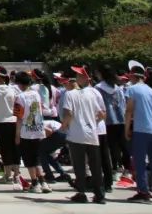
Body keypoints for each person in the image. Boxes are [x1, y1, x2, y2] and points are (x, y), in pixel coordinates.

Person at [62, 66, 107, 204]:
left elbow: (68, 113)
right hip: (91, 132)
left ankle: (81, 192)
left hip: (76, 134)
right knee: (95, 164)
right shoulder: (93, 93)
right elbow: (102, 114)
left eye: (77, 75)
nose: (76, 78)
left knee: (79, 165)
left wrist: (64, 125)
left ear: (83, 78)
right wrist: (93, 122)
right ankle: (99, 194)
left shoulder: (69, 94)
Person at [124, 64, 152, 202]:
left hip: (141, 129)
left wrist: (126, 129)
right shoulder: (151, 91)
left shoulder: (132, 89)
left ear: (133, 75)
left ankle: (143, 191)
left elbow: (129, 110)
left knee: (139, 161)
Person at [13, 70, 48, 192]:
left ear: (20, 84)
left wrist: (17, 135)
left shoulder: (19, 97)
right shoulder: (36, 94)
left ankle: (35, 183)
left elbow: (18, 117)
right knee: (37, 158)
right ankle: (44, 182)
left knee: (29, 159)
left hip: (26, 131)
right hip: (38, 129)